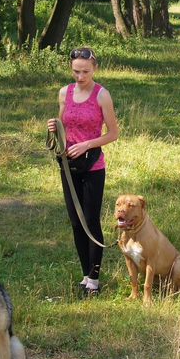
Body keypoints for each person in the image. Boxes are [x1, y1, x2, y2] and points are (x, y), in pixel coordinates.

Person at [47, 47, 120, 297]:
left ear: (94, 68)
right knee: (75, 221)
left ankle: (95, 280)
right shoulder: (64, 93)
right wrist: (53, 128)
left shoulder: (102, 95)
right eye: (76, 71)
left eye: (85, 72)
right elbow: (61, 125)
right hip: (68, 166)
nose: (80, 77)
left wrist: (87, 144)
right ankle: (85, 275)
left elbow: (113, 133)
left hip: (92, 166)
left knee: (90, 221)